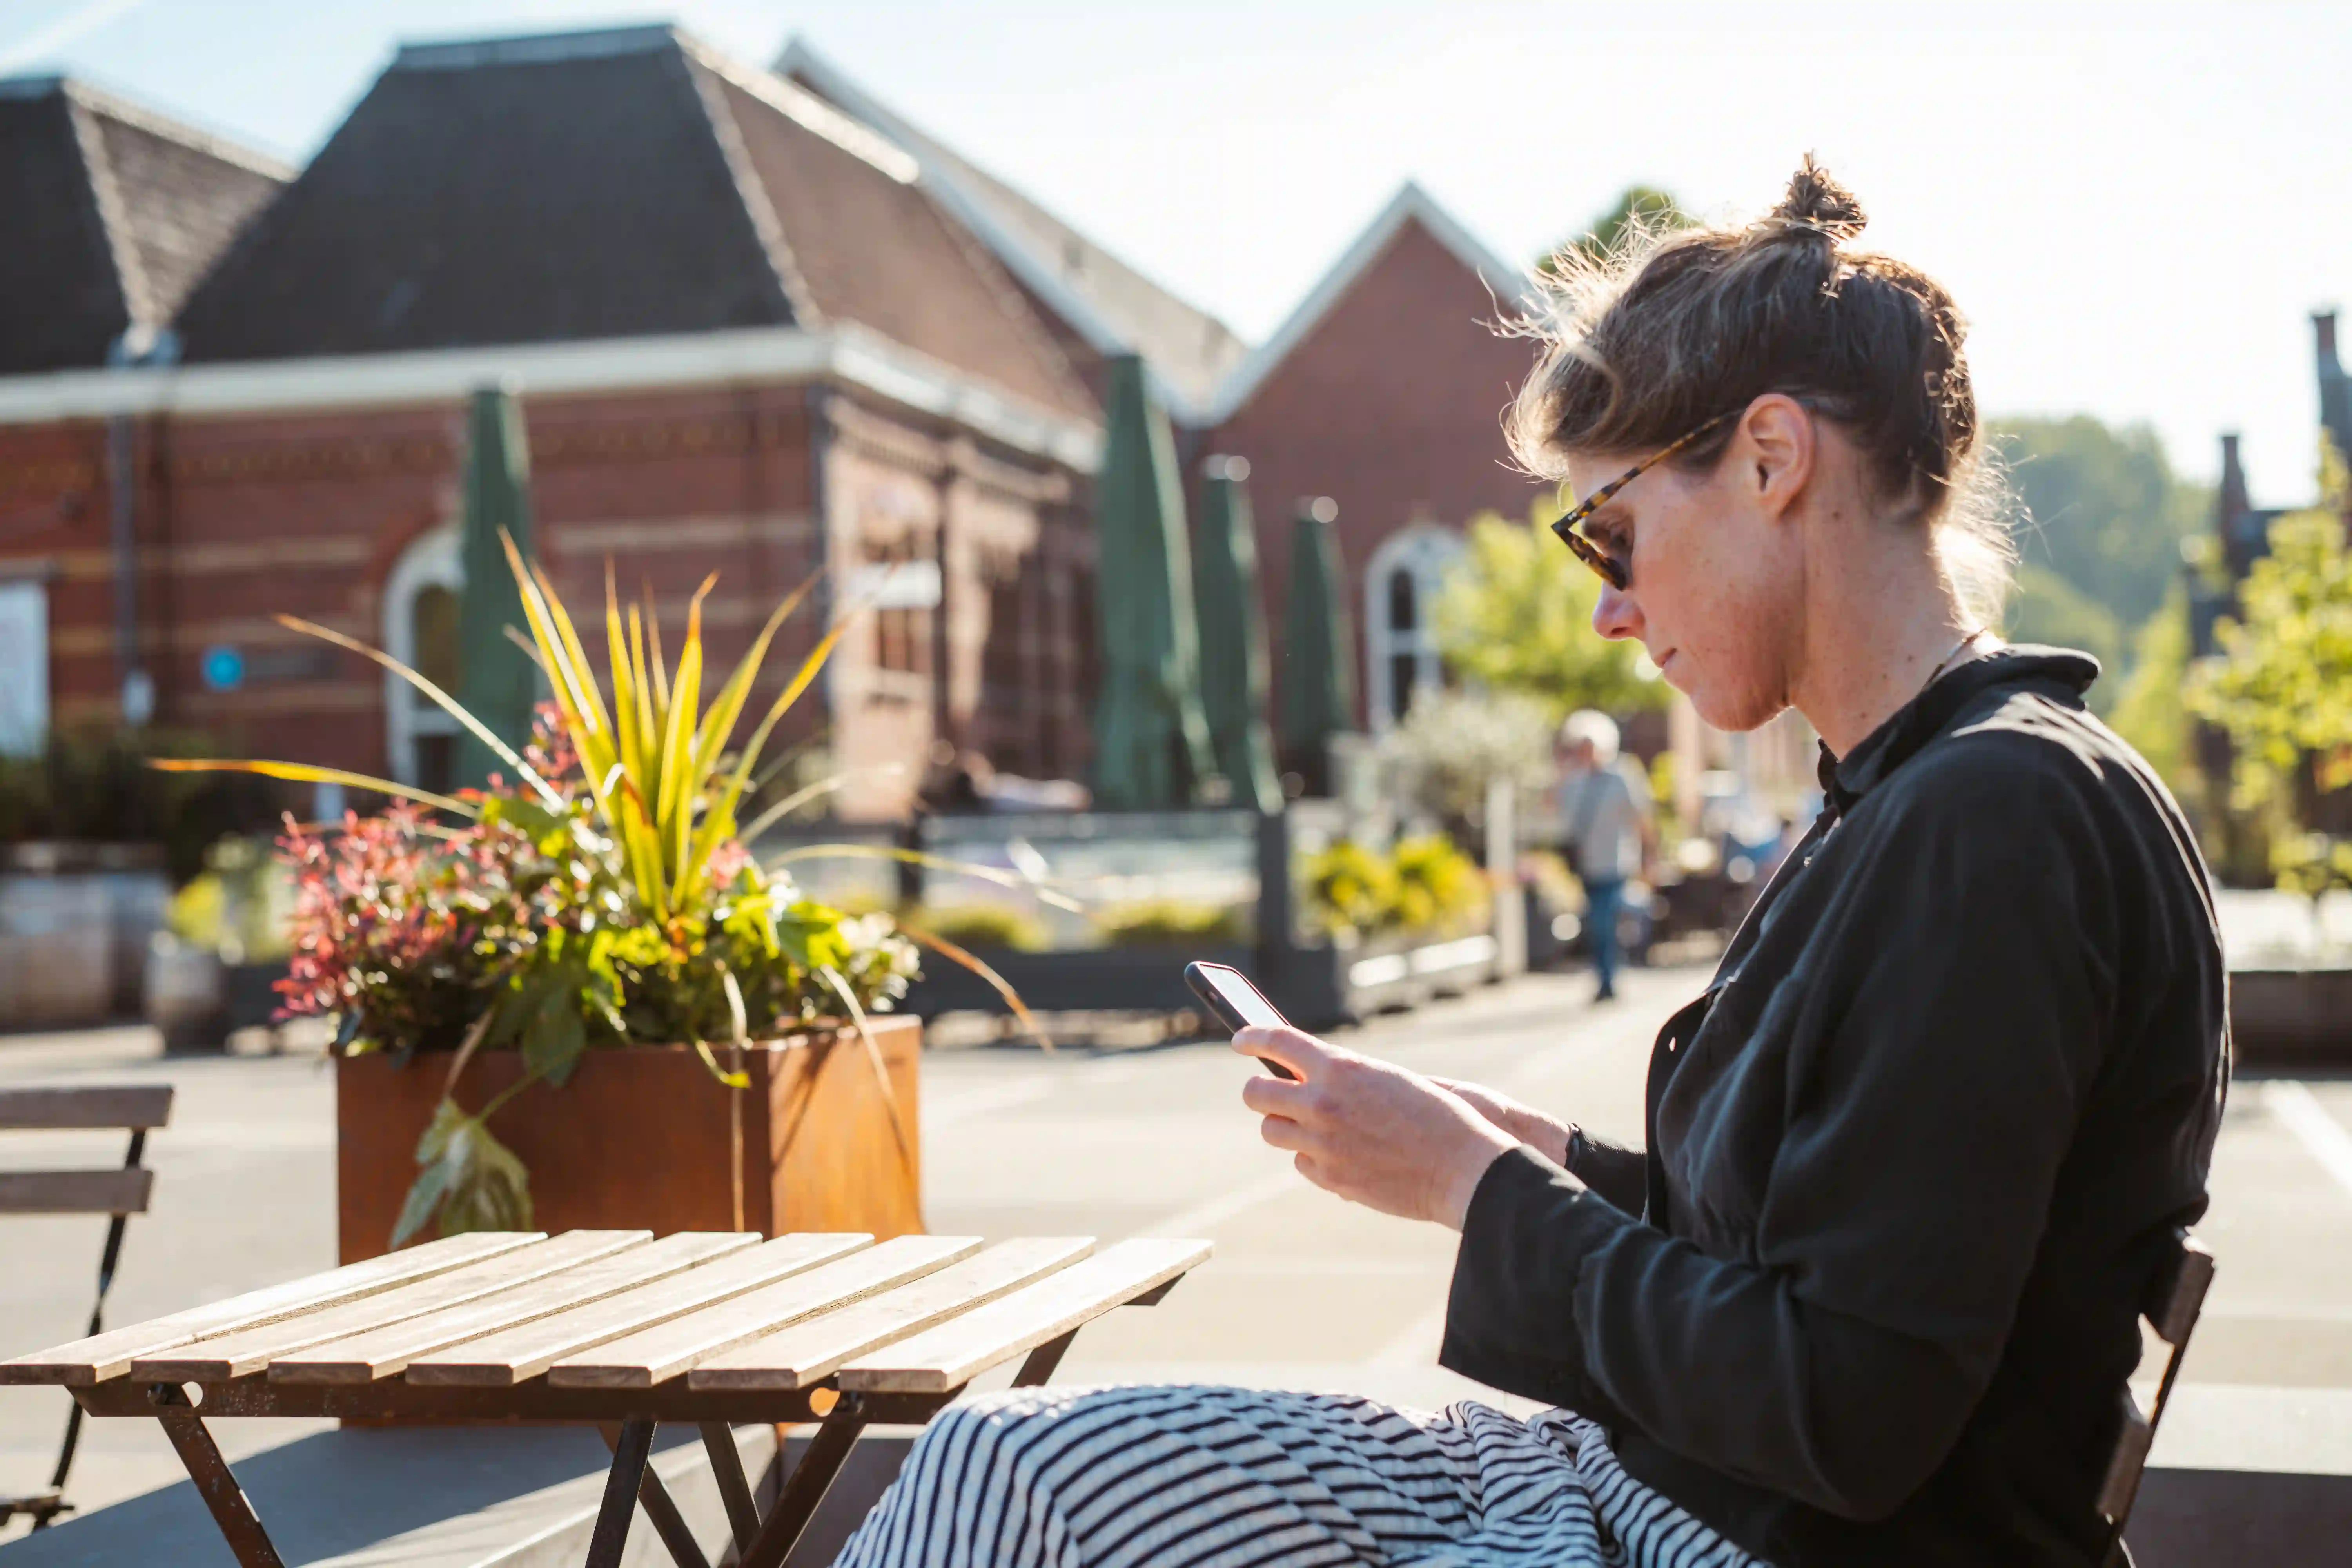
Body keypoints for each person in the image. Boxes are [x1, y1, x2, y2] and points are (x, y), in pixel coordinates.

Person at [834, 159, 2225, 1568]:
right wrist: (1534, 1157)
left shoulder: (1992, 821)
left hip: (1729, 1532)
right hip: (1653, 1484)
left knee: (1014, 1498)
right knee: (999, 1462)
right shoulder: (1923, 792)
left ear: (1769, 459)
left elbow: (1846, 1406)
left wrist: (1472, 1189)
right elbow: (1800, 1253)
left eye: (1609, 534)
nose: (1608, 609)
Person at [1555, 709, 1658, 1000]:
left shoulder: (1620, 777)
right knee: (1598, 923)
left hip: (1615, 862)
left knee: (1604, 921)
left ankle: (1608, 980)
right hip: (1587, 865)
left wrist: (1650, 856)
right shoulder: (1575, 782)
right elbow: (1558, 814)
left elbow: (1640, 817)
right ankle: (1607, 974)